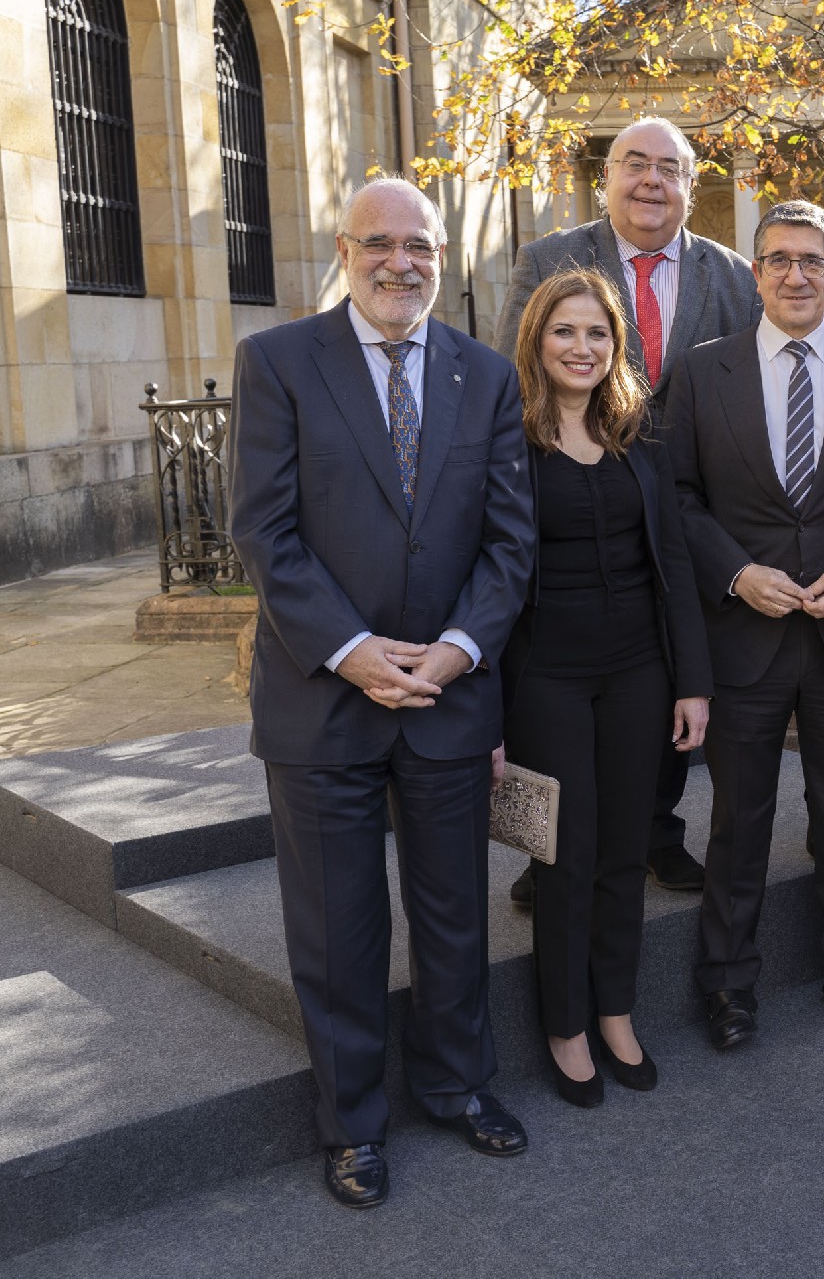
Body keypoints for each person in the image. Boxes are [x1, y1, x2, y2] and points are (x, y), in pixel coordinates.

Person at [227, 178, 537, 1208]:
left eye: (420, 247)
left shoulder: (485, 376)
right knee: (337, 925)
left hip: (449, 697)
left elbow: (508, 541)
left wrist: (455, 651)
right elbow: (264, 534)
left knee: (454, 915)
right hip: (322, 700)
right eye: (380, 245)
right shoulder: (277, 363)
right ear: (343, 249)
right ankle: (353, 1125)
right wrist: (353, 649)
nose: (401, 264)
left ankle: (457, 1086)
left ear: (440, 257)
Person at [664, 201, 824, 1050]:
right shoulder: (703, 373)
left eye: (813, 261)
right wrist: (736, 573)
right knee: (738, 817)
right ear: (755, 272)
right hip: (745, 636)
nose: (797, 275)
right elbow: (679, 499)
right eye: (778, 260)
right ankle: (729, 984)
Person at [499, 116, 758, 902]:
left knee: (665, 673)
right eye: (634, 164)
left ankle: (653, 830)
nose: (651, 181)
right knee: (559, 697)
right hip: (577, 499)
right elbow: (516, 368)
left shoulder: (733, 274)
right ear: (607, 176)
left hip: (690, 506)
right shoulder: (549, 258)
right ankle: (545, 850)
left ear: (690, 182)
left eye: (668, 168)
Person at [498, 269, 713, 1107]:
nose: (581, 348)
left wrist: (691, 683)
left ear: (615, 346)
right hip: (546, 676)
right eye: (564, 333)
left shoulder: (639, 435)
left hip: (639, 673)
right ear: (537, 343)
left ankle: (617, 1010)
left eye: (597, 334)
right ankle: (566, 1025)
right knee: (567, 856)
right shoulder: (508, 440)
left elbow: (676, 569)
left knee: (627, 849)